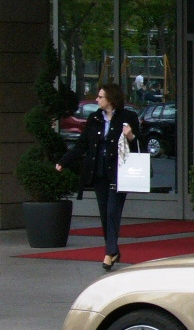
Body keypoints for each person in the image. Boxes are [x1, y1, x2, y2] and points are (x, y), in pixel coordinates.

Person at [56, 83, 142, 270]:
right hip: (99, 172)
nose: (97, 99)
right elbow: (82, 145)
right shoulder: (94, 118)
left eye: (100, 96)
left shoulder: (128, 117)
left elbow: (139, 148)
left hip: (119, 172)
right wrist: (64, 161)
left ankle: (109, 252)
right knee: (105, 214)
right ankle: (113, 250)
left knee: (113, 212)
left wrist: (130, 136)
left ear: (110, 99)